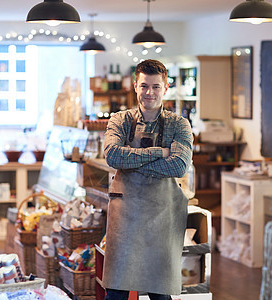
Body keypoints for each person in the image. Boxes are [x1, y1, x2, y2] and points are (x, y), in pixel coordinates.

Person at [102, 59, 193, 300]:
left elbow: (180, 165)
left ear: (165, 88)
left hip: (162, 214)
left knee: (160, 292)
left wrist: (133, 162)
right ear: (135, 86)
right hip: (125, 216)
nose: (149, 92)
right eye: (144, 86)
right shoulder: (120, 120)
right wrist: (159, 153)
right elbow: (113, 156)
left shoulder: (179, 124)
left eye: (155, 86)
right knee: (116, 292)